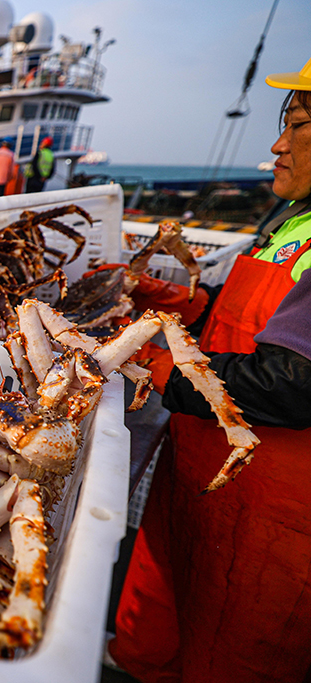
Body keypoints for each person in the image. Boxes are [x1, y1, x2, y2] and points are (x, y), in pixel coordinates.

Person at [108, 56, 311, 683]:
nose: (276, 144)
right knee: (150, 641)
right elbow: (251, 325)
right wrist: (184, 304)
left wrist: (163, 367)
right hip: (195, 478)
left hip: (273, 523)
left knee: (231, 663)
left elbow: (293, 386)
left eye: (297, 124)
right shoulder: (294, 220)